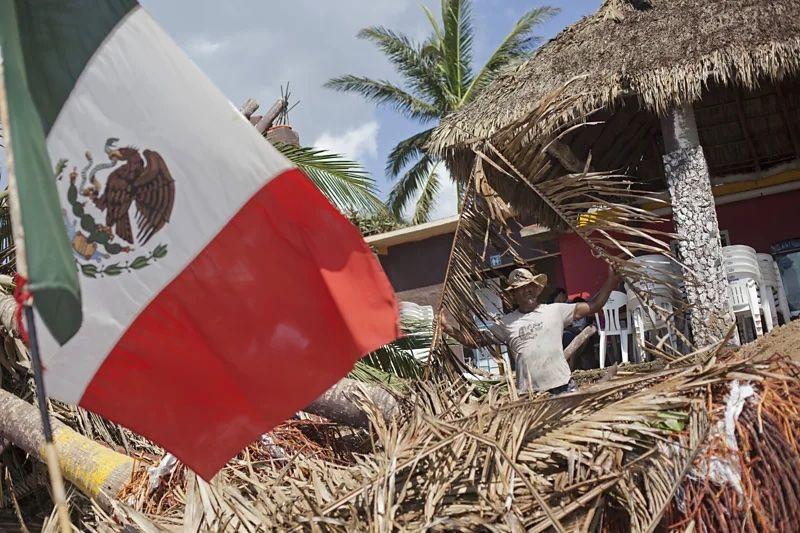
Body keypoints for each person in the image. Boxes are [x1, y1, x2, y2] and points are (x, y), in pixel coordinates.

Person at [441, 265, 621, 395]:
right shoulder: (506, 323)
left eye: (530, 286)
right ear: (513, 295)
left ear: (536, 289)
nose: (527, 291)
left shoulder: (556, 310)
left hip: (563, 387)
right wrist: (448, 328)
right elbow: (475, 341)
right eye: (520, 289)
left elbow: (594, 305)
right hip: (530, 395)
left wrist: (611, 281)